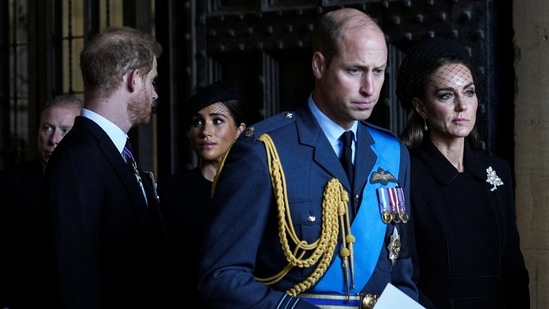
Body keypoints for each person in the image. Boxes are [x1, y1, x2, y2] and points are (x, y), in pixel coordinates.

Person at [197, 8, 418, 309]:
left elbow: (400, 269)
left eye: (378, 71)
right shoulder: (264, 151)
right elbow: (222, 277)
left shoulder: (392, 152)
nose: (369, 88)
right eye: (354, 71)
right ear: (319, 65)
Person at [40, 26, 183, 308]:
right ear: (134, 78)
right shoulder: (77, 160)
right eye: (152, 82)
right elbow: (74, 280)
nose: (154, 95)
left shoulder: (112, 151)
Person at [396, 37, 530, 308]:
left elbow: (513, 269)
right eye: (446, 95)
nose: (462, 106)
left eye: (469, 92)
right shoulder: (404, 173)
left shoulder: (497, 170)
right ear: (421, 107)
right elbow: (400, 276)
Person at [157, 80, 246, 307]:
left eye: (217, 121)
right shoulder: (168, 192)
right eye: (197, 121)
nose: (205, 131)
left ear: (239, 130)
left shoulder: (253, 191)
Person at [0, 94, 82, 308]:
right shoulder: (9, 184)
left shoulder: (93, 185)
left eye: (65, 131)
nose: (53, 139)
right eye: (47, 128)